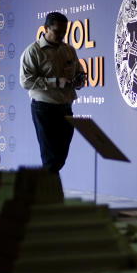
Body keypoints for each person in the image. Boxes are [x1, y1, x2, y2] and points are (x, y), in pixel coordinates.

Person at [19, 12, 85, 173]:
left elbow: (80, 72)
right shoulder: (32, 51)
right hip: (44, 108)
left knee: (60, 156)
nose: (62, 35)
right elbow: (26, 81)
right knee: (50, 157)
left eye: (64, 32)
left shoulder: (69, 50)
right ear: (45, 28)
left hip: (66, 107)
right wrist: (55, 82)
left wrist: (79, 80)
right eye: (57, 31)